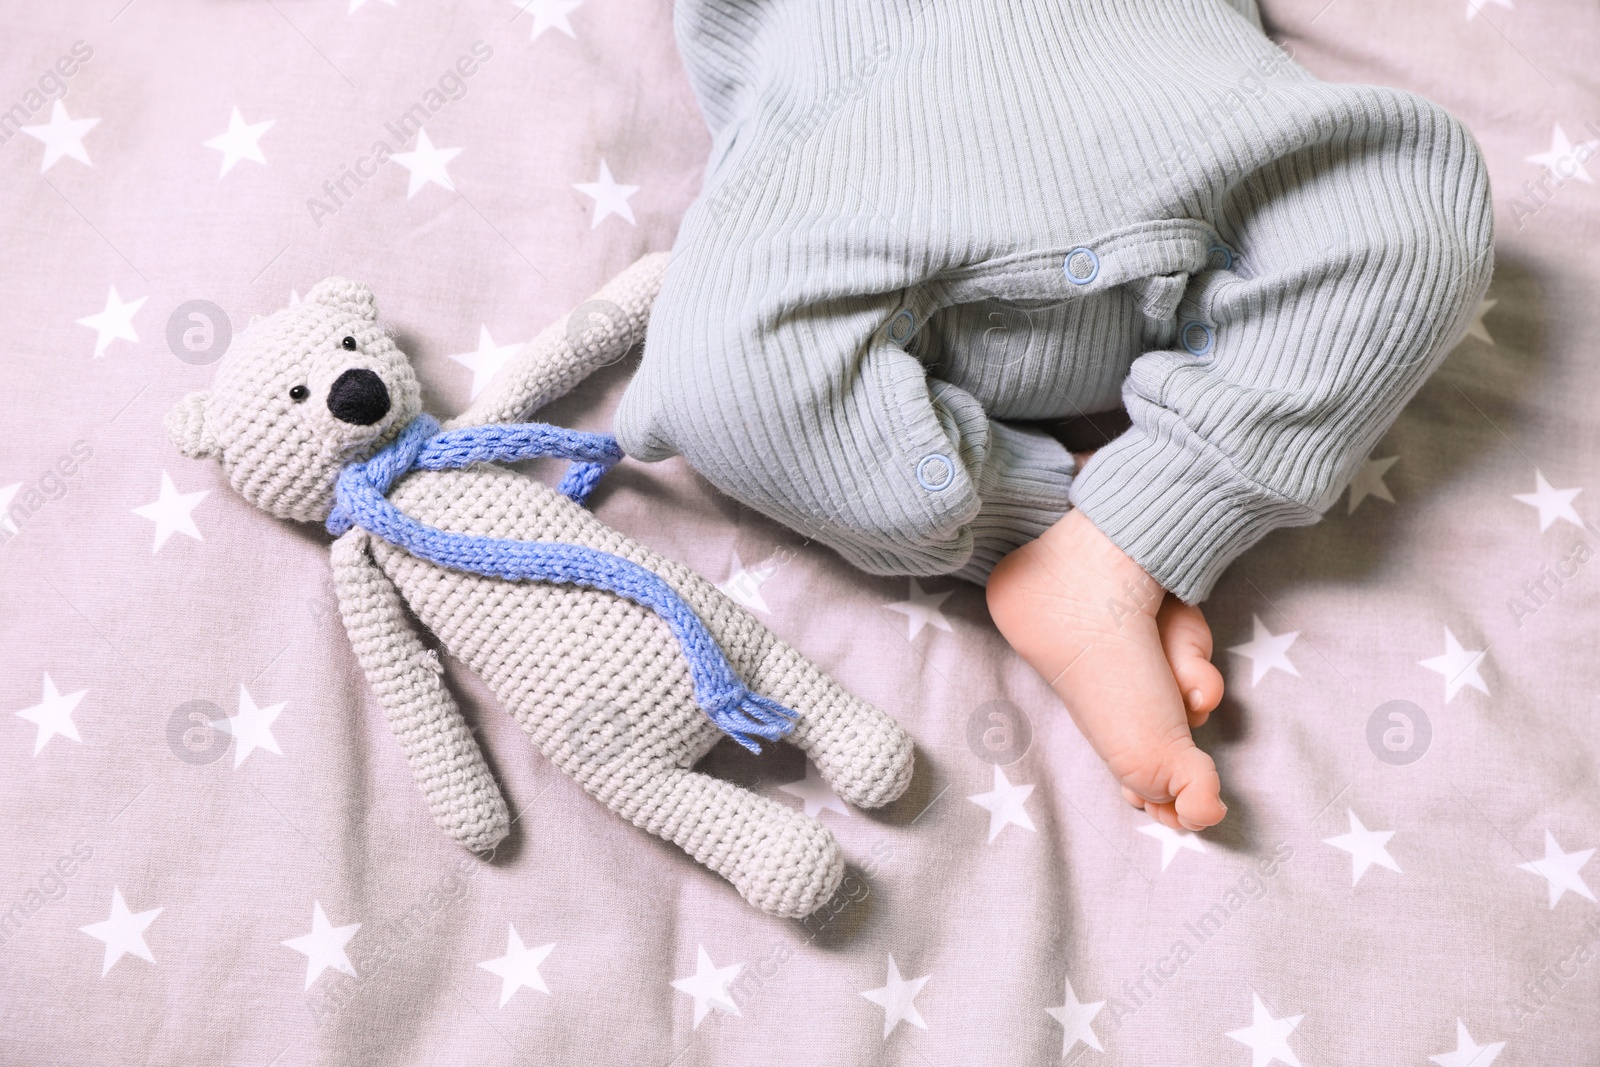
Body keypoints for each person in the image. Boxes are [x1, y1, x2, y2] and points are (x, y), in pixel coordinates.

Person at [614, 0, 1495, 830]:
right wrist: (1047, 506)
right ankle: (1088, 535)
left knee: (1418, 215)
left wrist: (1150, 515)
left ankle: (1121, 537)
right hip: (864, 161)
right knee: (716, 381)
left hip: (1176, 114)